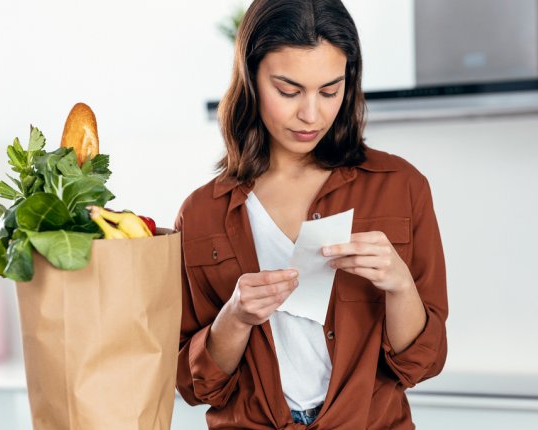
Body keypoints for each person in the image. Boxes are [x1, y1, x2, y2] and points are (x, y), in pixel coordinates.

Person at [174, 0, 448, 428]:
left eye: (329, 90)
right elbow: (195, 387)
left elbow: (421, 364)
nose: (311, 114)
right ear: (250, 78)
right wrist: (237, 316)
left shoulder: (401, 186)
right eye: (288, 91)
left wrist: (399, 286)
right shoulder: (201, 213)